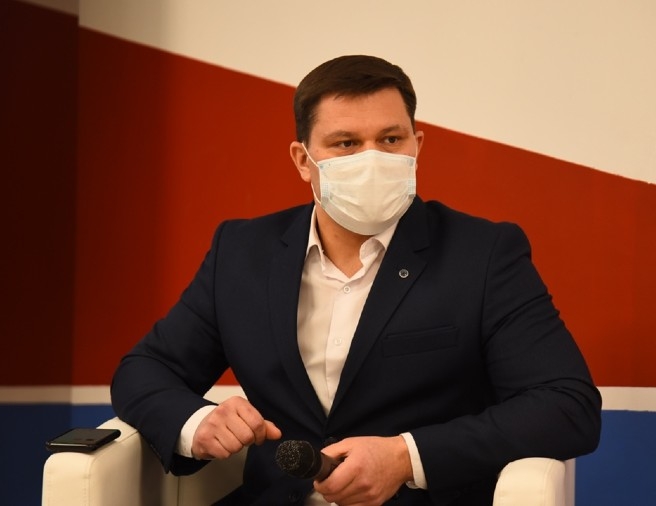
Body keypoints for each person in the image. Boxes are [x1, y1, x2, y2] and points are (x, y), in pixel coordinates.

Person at [111, 54, 602, 506]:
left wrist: (405, 457)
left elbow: (566, 405)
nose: (372, 158)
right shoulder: (242, 252)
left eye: (390, 140)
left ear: (417, 146)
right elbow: (145, 369)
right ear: (303, 160)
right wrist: (197, 422)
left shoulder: (483, 254)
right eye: (346, 143)